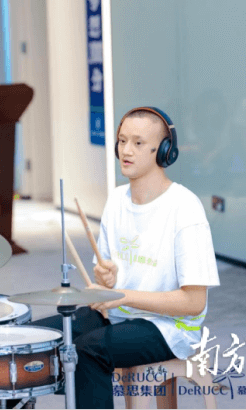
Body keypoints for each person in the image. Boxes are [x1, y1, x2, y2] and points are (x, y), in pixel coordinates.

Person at [32, 107, 220, 409]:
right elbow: (111, 277)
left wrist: (122, 296)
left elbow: (194, 302)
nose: (126, 151)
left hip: (170, 328)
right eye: (122, 141)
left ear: (164, 151)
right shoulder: (117, 200)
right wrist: (107, 278)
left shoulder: (184, 208)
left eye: (138, 143)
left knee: (88, 350)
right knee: (41, 338)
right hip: (120, 315)